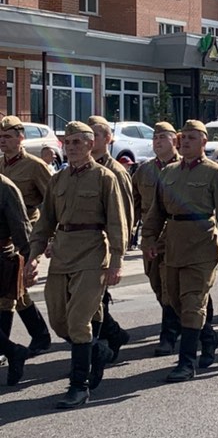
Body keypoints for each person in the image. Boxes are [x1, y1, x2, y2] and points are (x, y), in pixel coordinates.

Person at [24, 121, 127, 409]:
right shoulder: (58, 180)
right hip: (62, 255)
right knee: (59, 320)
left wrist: (116, 261)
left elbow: (118, 223)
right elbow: (45, 222)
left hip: (93, 254)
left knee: (79, 321)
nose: (71, 148)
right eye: (67, 143)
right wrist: (33, 255)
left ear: (91, 144)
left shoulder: (105, 178)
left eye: (78, 142)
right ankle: (97, 350)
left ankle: (78, 386)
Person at [141, 120, 218, 382]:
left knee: (193, 302)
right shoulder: (169, 172)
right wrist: (148, 238)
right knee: (174, 301)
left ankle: (186, 363)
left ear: (204, 143)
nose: (185, 142)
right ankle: (208, 337)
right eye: (183, 138)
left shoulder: (216, 173)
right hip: (173, 245)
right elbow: (156, 212)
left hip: (202, 246)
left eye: (192, 138)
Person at [0, 116, 53, 357]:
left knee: (9, 294)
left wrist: (49, 238)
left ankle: (8, 350)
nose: (3, 142)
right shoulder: (1, 166)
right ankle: (40, 335)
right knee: (16, 291)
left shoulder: (34, 166)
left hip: (25, 230)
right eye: (1, 138)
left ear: (21, 137)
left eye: (8, 137)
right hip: (5, 231)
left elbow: (53, 201)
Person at [131, 121, 181, 356]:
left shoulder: (185, 168)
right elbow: (135, 204)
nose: (157, 141)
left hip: (177, 236)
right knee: (157, 284)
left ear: (175, 140)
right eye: (155, 138)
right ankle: (195, 323)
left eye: (163, 137)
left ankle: (169, 335)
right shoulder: (144, 170)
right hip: (151, 238)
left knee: (173, 287)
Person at [88, 115, 134, 362]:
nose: (91, 139)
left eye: (96, 134)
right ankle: (113, 335)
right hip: (83, 246)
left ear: (108, 138)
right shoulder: (80, 169)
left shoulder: (116, 171)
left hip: (105, 244)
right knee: (91, 301)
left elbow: (126, 214)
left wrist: (119, 252)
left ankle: (94, 349)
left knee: (95, 301)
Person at [0, 175, 34, 385]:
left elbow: (21, 227)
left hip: (1, 255)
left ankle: (14, 351)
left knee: (6, 306)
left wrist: (31, 262)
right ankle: (13, 351)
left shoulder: (5, 187)